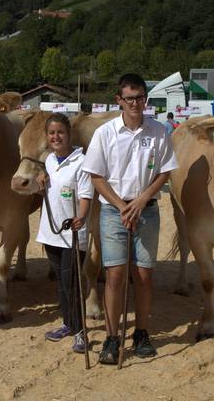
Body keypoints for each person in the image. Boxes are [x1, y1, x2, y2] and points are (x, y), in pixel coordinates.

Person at [82, 73, 178, 364]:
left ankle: (142, 333)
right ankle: (112, 337)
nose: (135, 103)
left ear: (146, 99)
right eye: (129, 98)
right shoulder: (105, 133)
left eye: (139, 98)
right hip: (114, 211)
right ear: (119, 100)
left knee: (144, 276)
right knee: (114, 275)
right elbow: (96, 175)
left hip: (146, 209)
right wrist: (121, 206)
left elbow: (165, 171)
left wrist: (140, 199)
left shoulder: (159, 131)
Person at [36, 113, 93, 354]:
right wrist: (42, 179)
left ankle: (81, 332)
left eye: (60, 132)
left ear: (69, 134)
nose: (56, 137)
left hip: (72, 233)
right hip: (51, 232)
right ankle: (68, 324)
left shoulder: (82, 161)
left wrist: (82, 216)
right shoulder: (49, 160)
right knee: (60, 282)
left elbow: (87, 195)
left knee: (73, 284)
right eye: (51, 133)